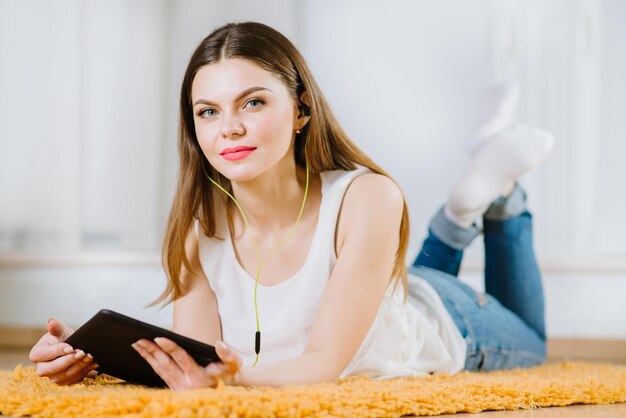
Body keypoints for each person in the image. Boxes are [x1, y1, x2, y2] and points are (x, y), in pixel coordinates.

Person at [28, 22, 554, 390]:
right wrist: (95, 357)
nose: (228, 127)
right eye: (207, 112)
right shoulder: (200, 229)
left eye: (252, 102)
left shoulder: (369, 195)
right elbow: (193, 358)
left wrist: (229, 381)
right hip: (378, 287)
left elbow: (323, 363)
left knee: (534, 342)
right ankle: (465, 203)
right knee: (398, 285)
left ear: (302, 109)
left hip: (444, 319)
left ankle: (497, 201)